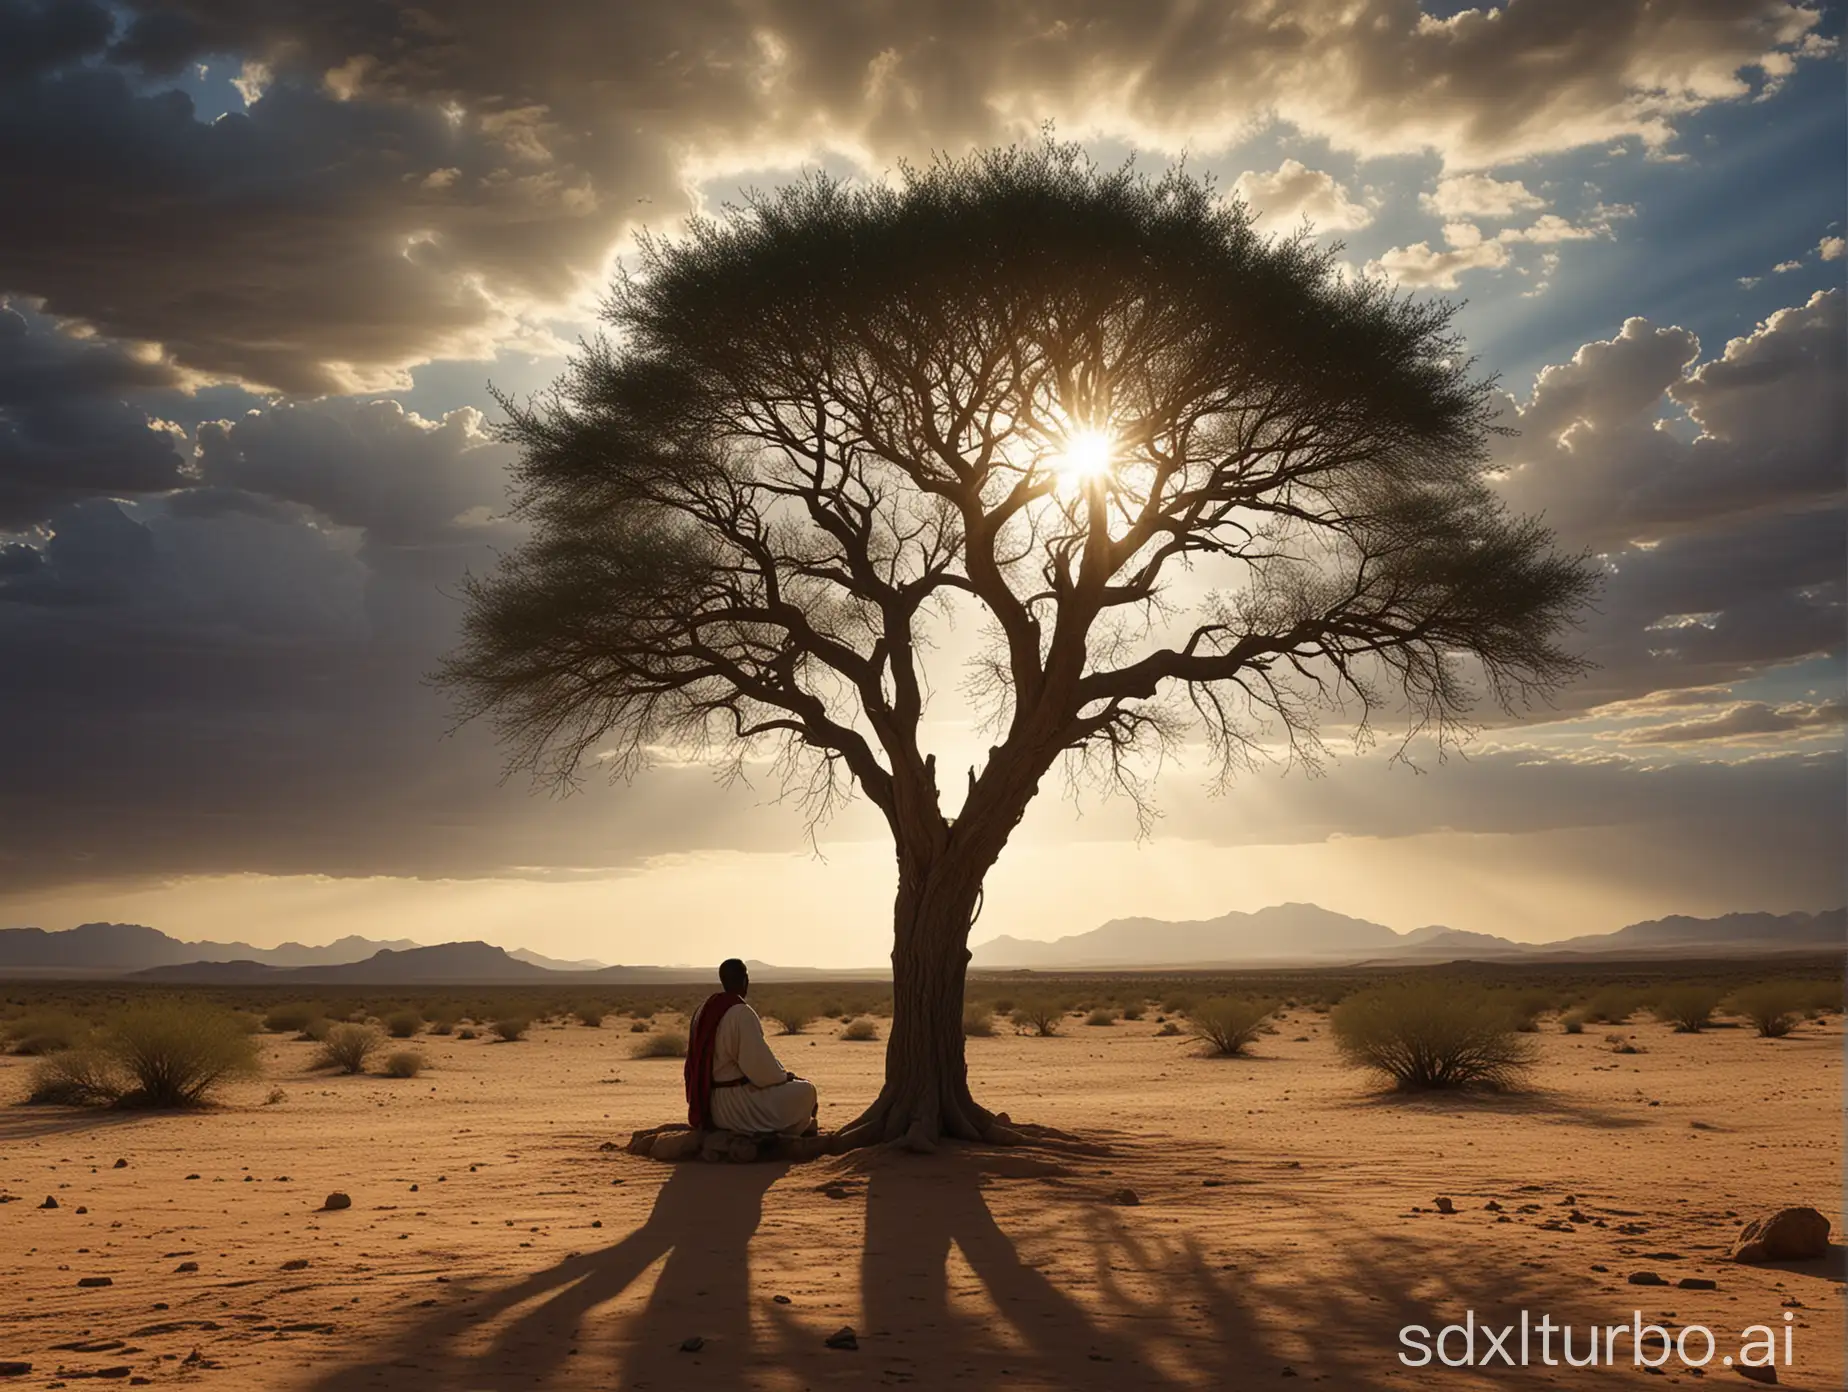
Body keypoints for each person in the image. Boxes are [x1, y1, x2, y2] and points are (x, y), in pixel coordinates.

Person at [685, 958, 819, 1136]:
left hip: (708, 1103)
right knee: (806, 1090)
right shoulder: (741, 1013)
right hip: (736, 1106)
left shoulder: (703, 1010)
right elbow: (760, 1072)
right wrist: (783, 1076)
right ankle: (791, 1130)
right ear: (745, 980)